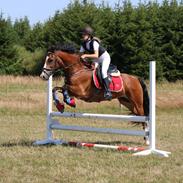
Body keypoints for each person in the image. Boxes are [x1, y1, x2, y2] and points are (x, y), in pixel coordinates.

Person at [80, 26, 112, 100]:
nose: (82, 36)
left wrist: (85, 55)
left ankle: (108, 91)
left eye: (84, 34)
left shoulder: (94, 43)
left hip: (104, 58)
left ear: (89, 35)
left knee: (103, 72)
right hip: (96, 60)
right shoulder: (83, 44)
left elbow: (96, 55)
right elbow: (80, 54)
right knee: (90, 72)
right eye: (82, 34)